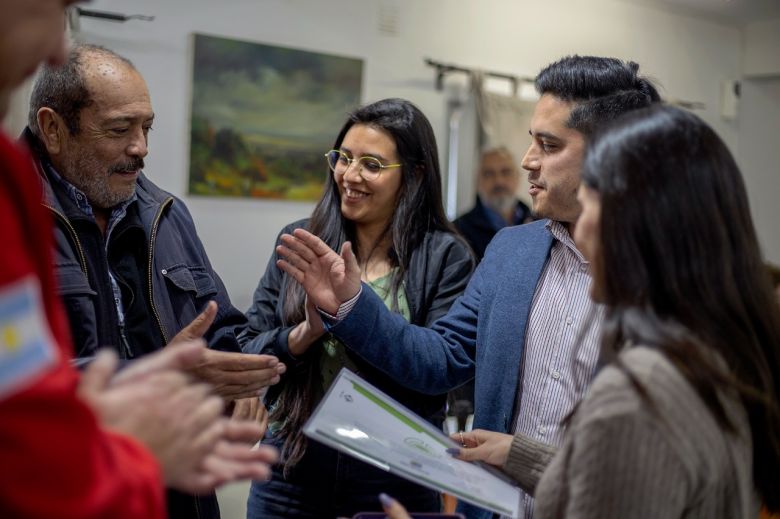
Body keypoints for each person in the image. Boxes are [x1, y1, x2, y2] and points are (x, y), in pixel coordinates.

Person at [274, 55, 660, 518]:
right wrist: (353, 304)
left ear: (610, 155)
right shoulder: (512, 251)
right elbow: (441, 359)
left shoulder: (670, 276)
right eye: (531, 140)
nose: (527, 161)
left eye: (549, 145)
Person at [392, 105, 780, 518]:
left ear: (638, 224)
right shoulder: (720, 358)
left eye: (590, 203)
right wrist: (519, 454)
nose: (580, 230)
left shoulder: (639, 390)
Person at [0, 1, 277, 517]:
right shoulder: (16, 209)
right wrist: (161, 378)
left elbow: (221, 332)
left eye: (147, 126)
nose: (142, 147)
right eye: (119, 129)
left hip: (181, 492)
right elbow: (27, 393)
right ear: (54, 129)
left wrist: (243, 386)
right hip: (78, 492)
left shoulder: (167, 214)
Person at [239, 98, 474, 518]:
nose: (349, 175)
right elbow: (247, 350)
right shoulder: (301, 240)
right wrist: (303, 334)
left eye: (372, 164)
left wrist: (351, 308)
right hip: (292, 467)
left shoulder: (445, 255)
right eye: (343, 158)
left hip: (395, 474)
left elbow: (438, 367)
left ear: (415, 175)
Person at [454, 146, 533, 262]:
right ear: (478, 181)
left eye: (506, 172)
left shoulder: (540, 224)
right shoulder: (459, 231)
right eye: (489, 174)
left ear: (518, 177)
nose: (498, 181)